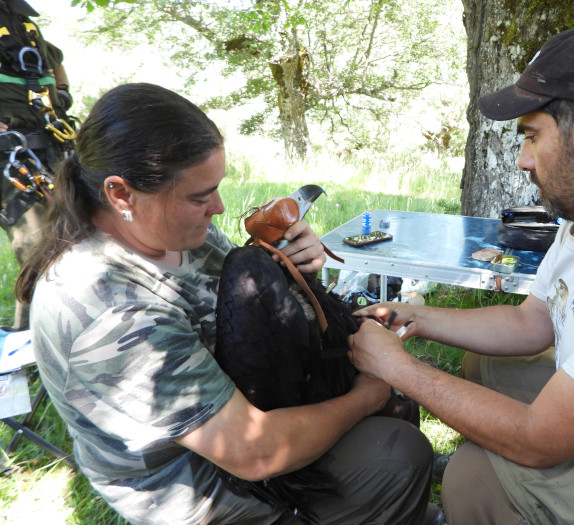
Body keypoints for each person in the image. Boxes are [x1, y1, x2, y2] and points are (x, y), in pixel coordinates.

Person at [15, 82, 439, 525]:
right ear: (121, 194)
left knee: (390, 411)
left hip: (243, 409)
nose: (218, 207)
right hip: (198, 486)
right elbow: (254, 453)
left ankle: (395, 504)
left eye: (215, 189)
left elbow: (241, 303)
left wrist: (290, 268)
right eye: (199, 197)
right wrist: (366, 396)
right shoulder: (111, 310)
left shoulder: (170, 230)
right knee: (398, 451)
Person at [347, 19, 574, 525]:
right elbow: (532, 323)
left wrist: (397, 368)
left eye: (532, 135)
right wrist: (415, 318)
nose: (522, 159)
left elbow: (537, 439)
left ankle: (498, 496)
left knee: (474, 473)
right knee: (483, 368)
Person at [0, 0, 76, 330]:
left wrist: (62, 93)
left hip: (50, 146)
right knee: (37, 245)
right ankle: (30, 339)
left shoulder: (20, 17)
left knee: (69, 236)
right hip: (10, 156)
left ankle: (60, 329)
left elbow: (54, 59)